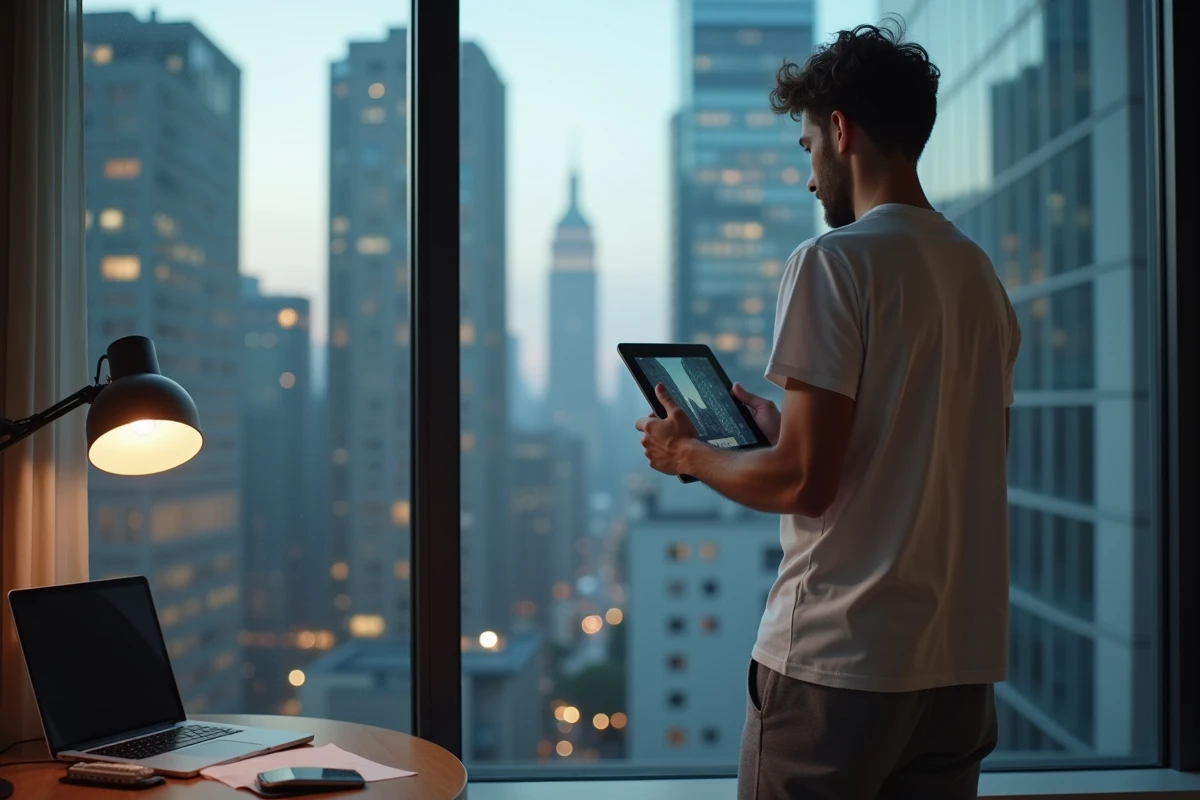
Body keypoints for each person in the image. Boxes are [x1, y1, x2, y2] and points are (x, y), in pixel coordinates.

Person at [635, 19, 1021, 800]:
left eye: (809, 148)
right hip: (957, 673)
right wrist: (783, 436)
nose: (810, 179)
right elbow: (946, 453)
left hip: (837, 669)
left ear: (840, 132)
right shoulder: (979, 276)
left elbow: (803, 487)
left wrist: (689, 455)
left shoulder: (831, 263)